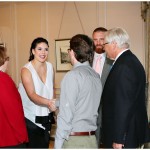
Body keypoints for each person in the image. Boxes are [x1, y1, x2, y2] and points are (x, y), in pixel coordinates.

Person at [101, 27, 150, 148]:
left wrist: (119, 138)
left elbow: (123, 105)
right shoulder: (130, 61)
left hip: (124, 136)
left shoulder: (124, 66)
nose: (103, 48)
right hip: (129, 132)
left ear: (114, 44)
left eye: (105, 44)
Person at [54, 34, 102, 149]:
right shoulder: (95, 76)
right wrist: (57, 102)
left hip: (74, 141)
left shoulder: (72, 76)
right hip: (92, 140)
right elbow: (83, 101)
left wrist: (57, 145)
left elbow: (66, 116)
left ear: (72, 52)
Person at [18, 37, 57, 148]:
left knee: (45, 146)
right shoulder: (26, 70)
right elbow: (32, 95)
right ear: (33, 51)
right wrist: (49, 102)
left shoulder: (50, 67)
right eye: (39, 49)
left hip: (46, 116)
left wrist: (53, 104)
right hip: (30, 118)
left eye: (46, 49)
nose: (43, 52)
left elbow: (52, 88)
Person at [0, 46, 28, 148]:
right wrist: (22, 137)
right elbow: (14, 112)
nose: (8, 61)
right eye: (7, 58)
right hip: (9, 139)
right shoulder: (4, 80)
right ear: (3, 60)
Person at [92, 27, 113, 147]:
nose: (99, 43)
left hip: (108, 108)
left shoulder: (113, 59)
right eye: (95, 40)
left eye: (101, 39)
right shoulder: (87, 59)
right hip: (90, 108)